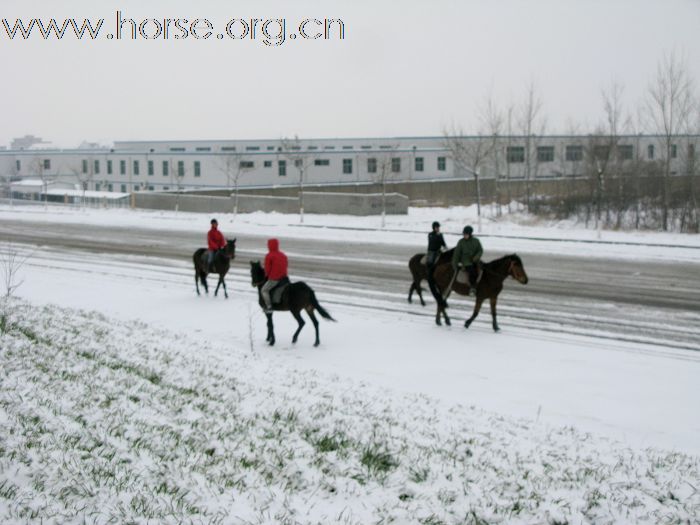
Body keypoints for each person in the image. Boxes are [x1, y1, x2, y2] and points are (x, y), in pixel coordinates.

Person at [452, 225, 483, 294]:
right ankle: (472, 288)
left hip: (476, 261)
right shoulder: (461, 242)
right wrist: (455, 264)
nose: (464, 235)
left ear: (470, 234)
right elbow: (457, 254)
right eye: (464, 234)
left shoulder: (476, 241)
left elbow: (480, 250)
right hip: (466, 262)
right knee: (472, 272)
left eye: (466, 234)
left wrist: (476, 257)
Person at [262, 238, 288, 313]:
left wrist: (267, 276)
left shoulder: (269, 256)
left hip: (274, 278)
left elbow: (267, 268)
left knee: (264, 290)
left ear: (269, 246)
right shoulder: (283, 255)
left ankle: (269, 306)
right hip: (284, 278)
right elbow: (286, 265)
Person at [426, 221, 447, 306]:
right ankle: (429, 272)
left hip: (438, 251)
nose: (438, 228)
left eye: (438, 227)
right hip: (432, 251)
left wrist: (445, 246)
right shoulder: (430, 235)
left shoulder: (440, 234)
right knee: (430, 261)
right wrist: (438, 237)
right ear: (433, 228)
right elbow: (433, 243)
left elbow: (442, 242)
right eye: (436, 227)